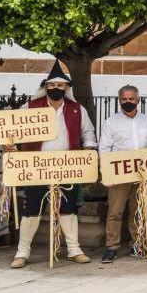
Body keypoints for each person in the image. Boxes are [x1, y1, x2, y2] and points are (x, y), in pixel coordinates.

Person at [9, 61, 96, 268]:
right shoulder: (29, 108)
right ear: (46, 87)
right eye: (52, 85)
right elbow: (13, 131)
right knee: (32, 208)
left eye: (60, 86)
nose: (56, 89)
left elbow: (88, 132)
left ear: (66, 87)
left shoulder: (77, 109)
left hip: (67, 166)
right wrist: (9, 144)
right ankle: (22, 252)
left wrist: (90, 147)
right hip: (37, 167)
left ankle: (74, 249)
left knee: (68, 208)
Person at [97, 85, 147, 264]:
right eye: (124, 99)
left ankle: (137, 244)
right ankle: (112, 247)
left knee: (138, 211)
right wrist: (106, 174)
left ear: (138, 100)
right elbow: (104, 149)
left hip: (141, 175)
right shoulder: (111, 122)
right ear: (119, 100)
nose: (128, 102)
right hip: (119, 174)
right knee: (115, 211)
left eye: (131, 99)